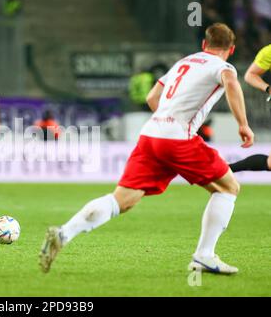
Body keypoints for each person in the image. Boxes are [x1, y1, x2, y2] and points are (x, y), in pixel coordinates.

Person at [39, 23, 254, 275]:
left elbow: (152, 98)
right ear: (231, 49)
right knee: (229, 187)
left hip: (151, 134)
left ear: (204, 45)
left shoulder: (184, 62)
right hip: (178, 139)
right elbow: (230, 81)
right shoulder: (224, 67)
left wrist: (166, 122)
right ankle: (204, 255)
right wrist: (243, 124)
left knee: (122, 200)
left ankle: (64, 233)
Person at [230, 44, 271, 172]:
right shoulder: (269, 51)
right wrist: (268, 88)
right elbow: (250, 75)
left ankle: (224, 170)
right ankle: (223, 170)